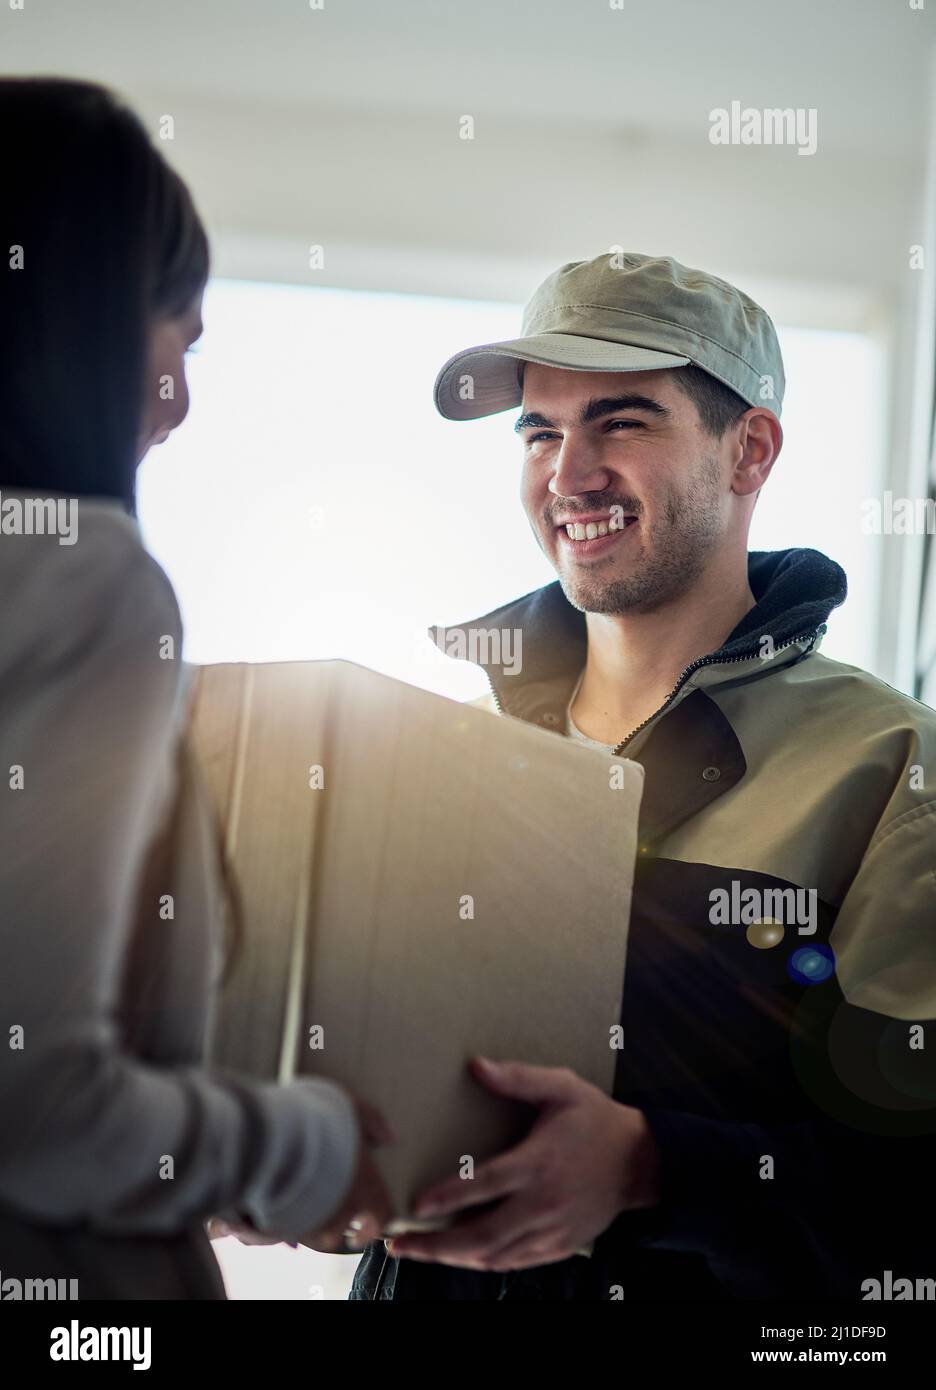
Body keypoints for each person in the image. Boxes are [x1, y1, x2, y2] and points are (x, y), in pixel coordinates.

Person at [351, 252, 936, 1300]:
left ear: (749, 448)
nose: (569, 474)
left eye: (620, 421)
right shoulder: (444, 754)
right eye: (539, 431)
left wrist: (652, 1167)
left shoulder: (891, 770)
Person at [0, 77, 390, 1299]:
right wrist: (313, 1145)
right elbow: (38, 1109)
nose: (176, 399)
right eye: (178, 334)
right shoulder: (83, 578)